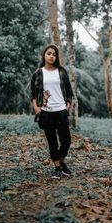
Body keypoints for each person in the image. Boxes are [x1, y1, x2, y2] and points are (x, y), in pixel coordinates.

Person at [31, 44, 73, 179]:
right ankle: (57, 168)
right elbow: (33, 93)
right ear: (44, 55)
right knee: (52, 141)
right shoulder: (38, 73)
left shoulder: (61, 71)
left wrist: (68, 105)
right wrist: (36, 108)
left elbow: (69, 90)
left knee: (66, 140)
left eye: (54, 54)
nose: (51, 56)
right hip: (46, 112)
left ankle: (61, 162)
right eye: (49, 53)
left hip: (61, 110)